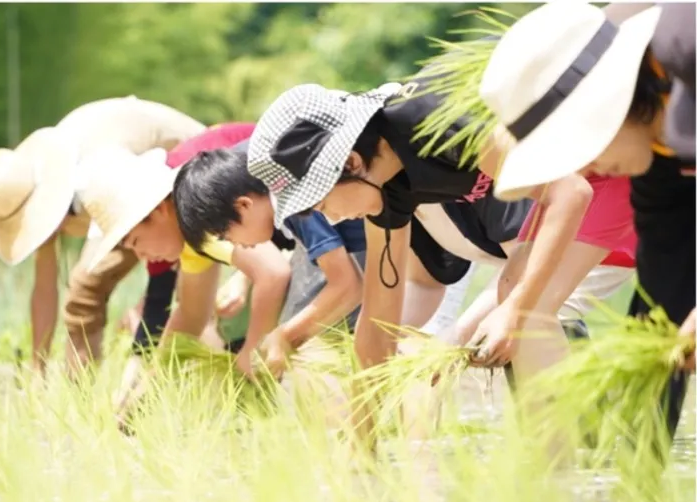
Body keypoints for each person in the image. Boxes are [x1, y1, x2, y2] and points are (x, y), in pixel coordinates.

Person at [172, 148, 635, 381]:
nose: (233, 246)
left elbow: (523, 265)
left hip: (587, 228)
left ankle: (564, 466)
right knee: (498, 331)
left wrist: (288, 339)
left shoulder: (420, 170)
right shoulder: (391, 199)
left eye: (227, 234)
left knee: (525, 325)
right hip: (538, 242)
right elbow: (411, 289)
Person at [469, 2, 695, 439]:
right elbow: (661, 316)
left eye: (577, 148)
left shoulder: (687, 53)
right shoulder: (654, 162)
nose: (587, 168)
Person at [73, 124, 293, 427]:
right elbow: (190, 314)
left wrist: (252, 356)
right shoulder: (191, 239)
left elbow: (274, 272)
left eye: (137, 243)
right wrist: (147, 389)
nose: (142, 258)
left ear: (159, 212)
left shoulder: (201, 215)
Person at [0, 96, 206, 378]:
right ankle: (81, 392)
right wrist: (38, 367)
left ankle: (91, 386)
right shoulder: (29, 186)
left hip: (190, 175)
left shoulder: (94, 173)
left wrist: (156, 295)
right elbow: (44, 287)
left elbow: (152, 215)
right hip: (143, 200)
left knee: (87, 287)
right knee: (83, 294)